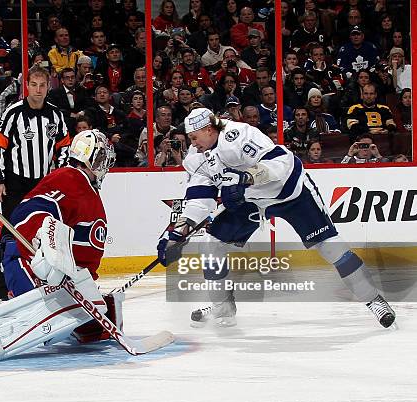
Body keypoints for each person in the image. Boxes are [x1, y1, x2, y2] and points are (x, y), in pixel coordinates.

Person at [157, 107, 396, 329]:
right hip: (250, 201)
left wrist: (245, 178)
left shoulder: (238, 134)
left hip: (290, 193)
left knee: (331, 247)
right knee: (211, 245)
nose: (193, 143)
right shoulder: (196, 156)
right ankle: (223, 308)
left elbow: (280, 163)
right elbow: (200, 198)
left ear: (209, 130)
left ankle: (373, 299)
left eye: (195, 137)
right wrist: (178, 231)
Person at [0, 130, 120, 362]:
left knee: (88, 316)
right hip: (26, 258)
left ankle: (86, 327)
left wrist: (82, 281)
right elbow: (32, 211)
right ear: (90, 158)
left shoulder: (85, 187)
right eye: (101, 159)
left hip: (59, 274)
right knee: (35, 312)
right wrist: (46, 243)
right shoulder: (69, 178)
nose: (104, 166)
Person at [0, 65, 72, 301]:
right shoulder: (12, 113)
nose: (38, 89)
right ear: (26, 86)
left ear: (48, 87)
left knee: (46, 235)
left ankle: (43, 286)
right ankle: (2, 292)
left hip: (43, 187)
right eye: (33, 84)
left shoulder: (55, 115)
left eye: (42, 85)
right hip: (15, 186)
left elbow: (63, 147)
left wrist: (62, 175)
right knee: (10, 237)